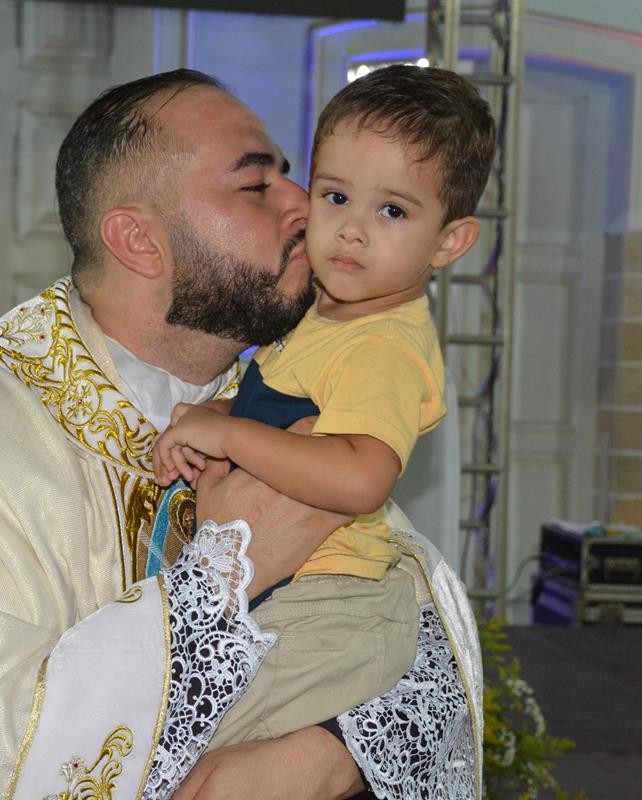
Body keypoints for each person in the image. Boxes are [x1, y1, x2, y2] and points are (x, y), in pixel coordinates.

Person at [0, 69, 483, 800]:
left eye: (292, 175)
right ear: (140, 241)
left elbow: (413, 627)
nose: (302, 206)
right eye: (256, 185)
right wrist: (226, 577)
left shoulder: (287, 396)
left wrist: (330, 751)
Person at [151, 64, 494, 746]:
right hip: (290, 593)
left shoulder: (381, 346)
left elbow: (359, 476)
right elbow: (288, 408)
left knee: (182, 747)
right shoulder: (331, 312)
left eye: (392, 211)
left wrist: (232, 439)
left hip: (326, 609)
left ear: (449, 242)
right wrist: (221, 417)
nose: (352, 230)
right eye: (336, 197)